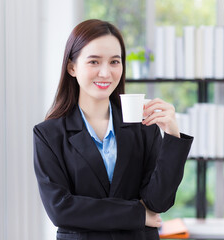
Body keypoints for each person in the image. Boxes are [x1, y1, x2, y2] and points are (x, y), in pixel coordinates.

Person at [33, 19, 193, 240]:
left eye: (115, 62)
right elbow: (61, 209)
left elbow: (158, 202)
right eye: (94, 62)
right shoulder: (49, 134)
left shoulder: (143, 125)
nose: (106, 73)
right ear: (72, 67)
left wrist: (172, 136)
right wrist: (137, 213)